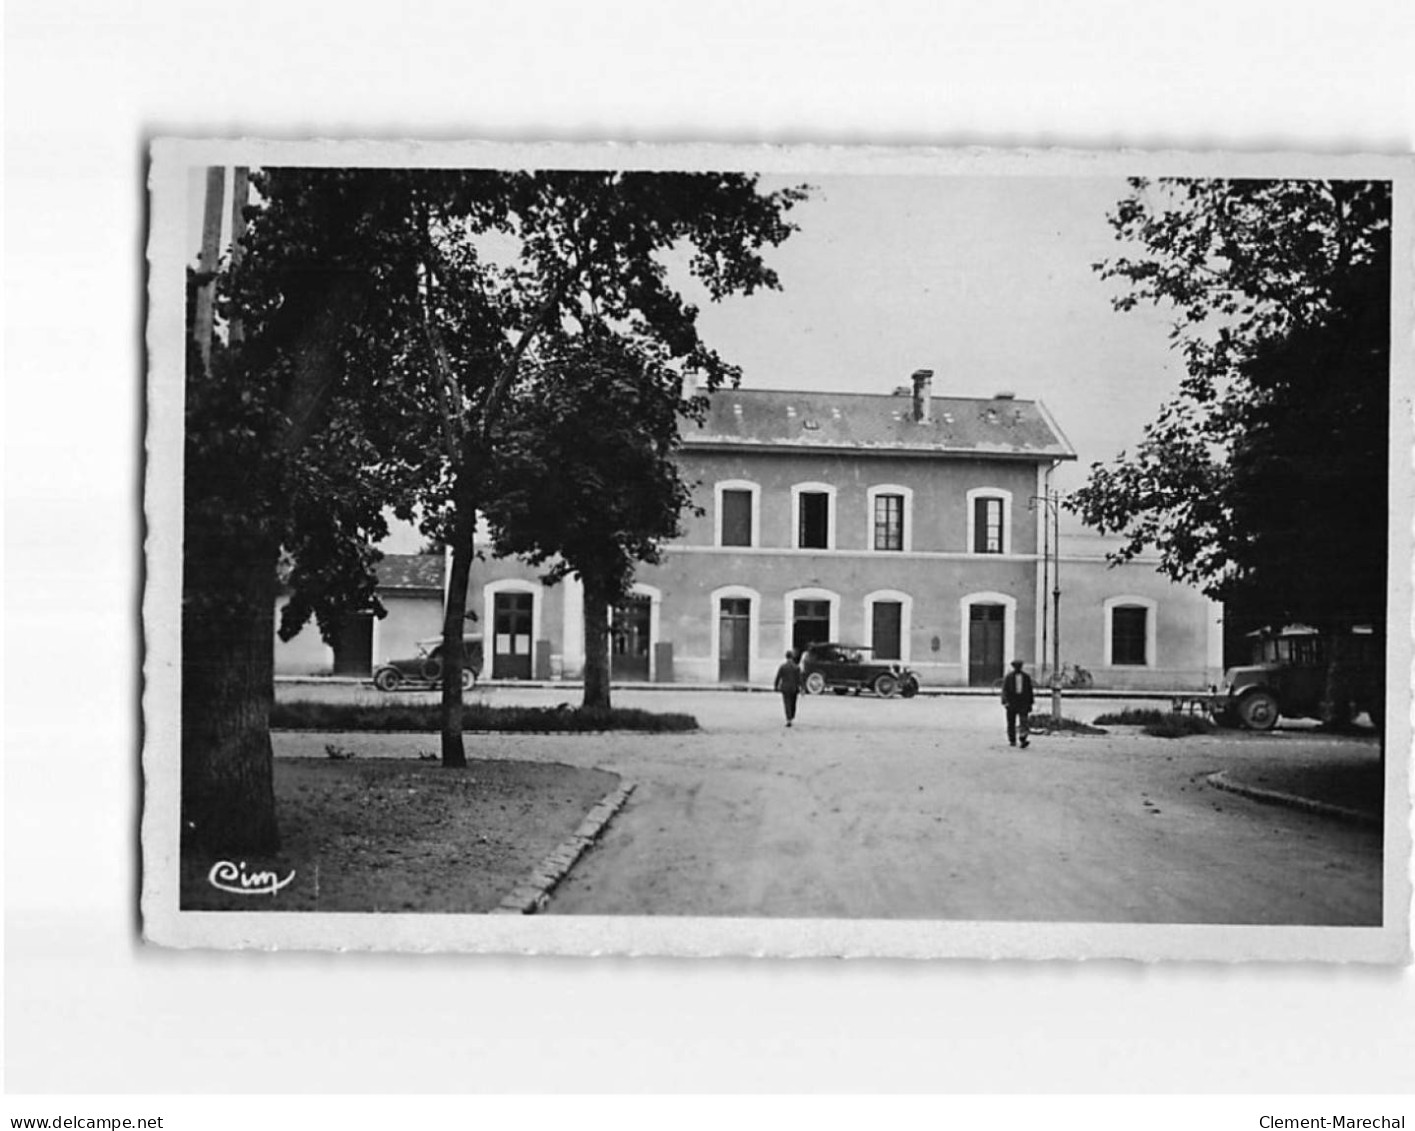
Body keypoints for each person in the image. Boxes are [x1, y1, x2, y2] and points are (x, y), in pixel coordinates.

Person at [1000, 659, 1035, 748]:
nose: (1018, 668)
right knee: (1011, 722)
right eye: (1016, 666)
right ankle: (1012, 739)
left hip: (1023, 702)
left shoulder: (1026, 677)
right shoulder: (1009, 677)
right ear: (1014, 667)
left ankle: (1023, 738)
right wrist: (1005, 701)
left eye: (1019, 666)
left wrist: (1030, 703)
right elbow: (1004, 690)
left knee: (1024, 721)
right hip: (1012, 701)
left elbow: (1029, 691)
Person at [774, 650, 803, 727]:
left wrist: (776, 686)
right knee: (793, 703)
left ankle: (788, 718)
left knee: (787, 703)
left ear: (786, 657)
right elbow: (799, 679)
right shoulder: (796, 667)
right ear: (792, 657)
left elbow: (778, 677)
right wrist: (802, 688)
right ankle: (792, 716)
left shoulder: (783, 667)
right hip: (794, 688)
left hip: (785, 688)